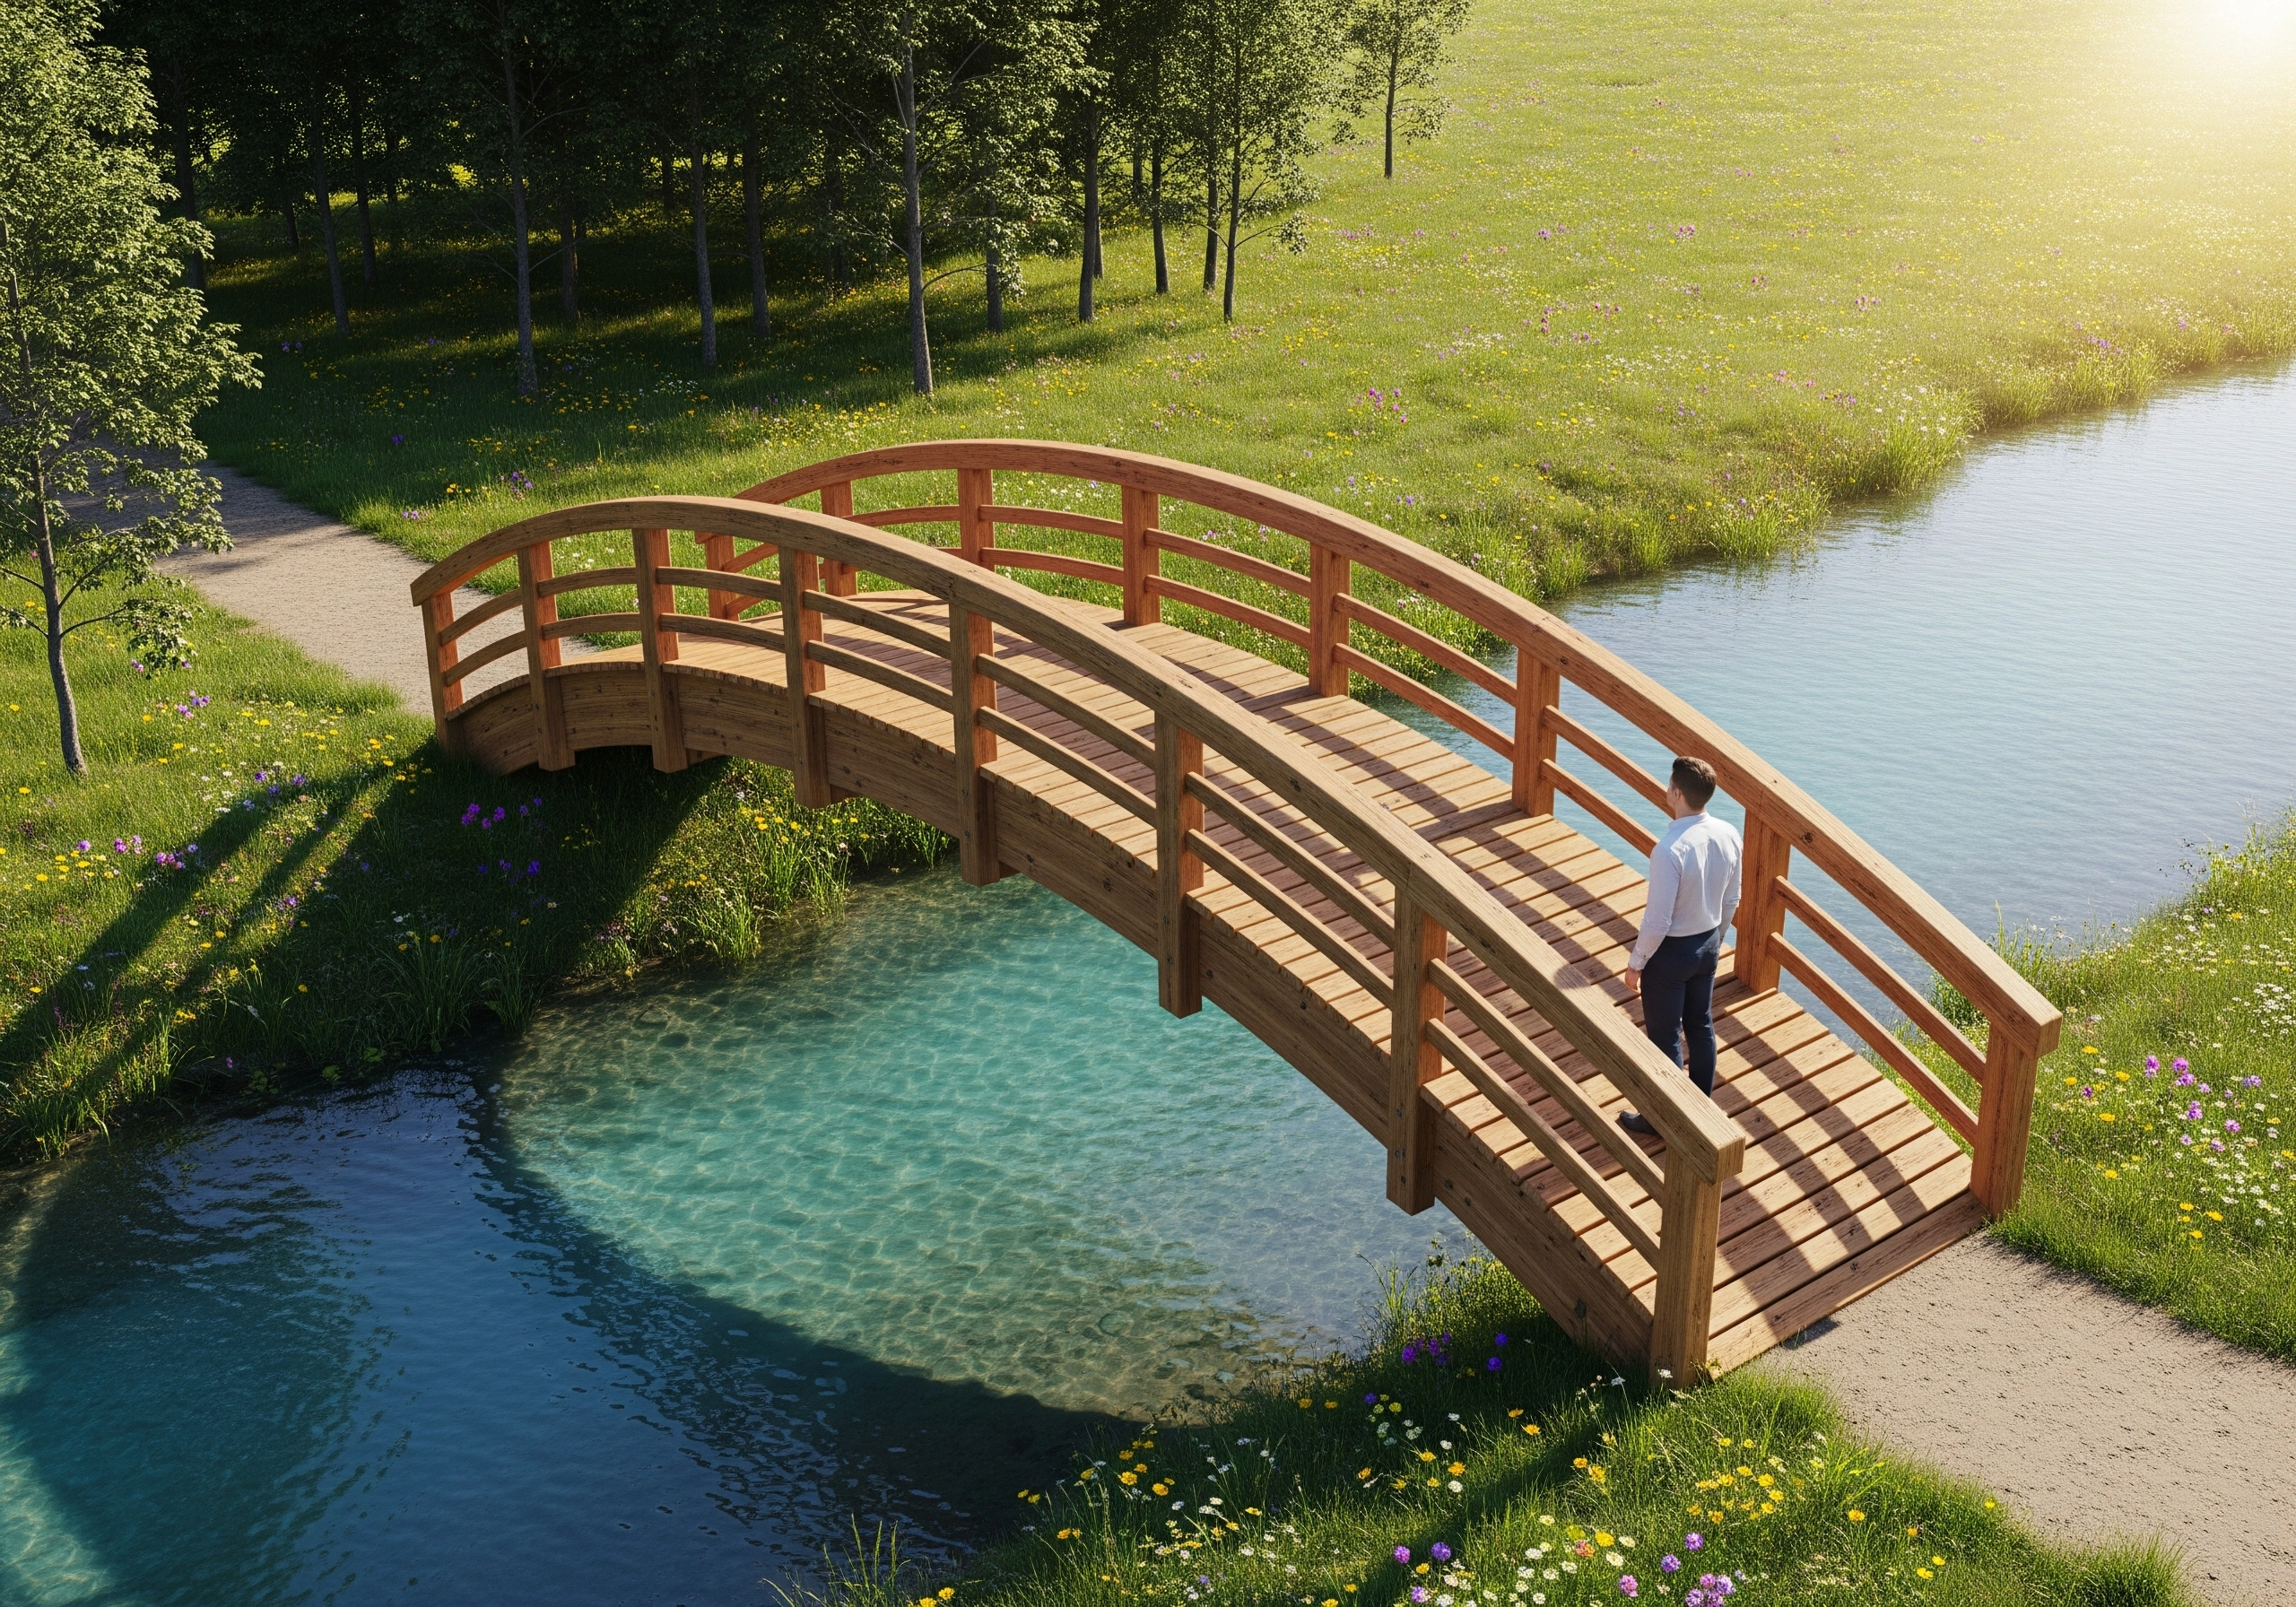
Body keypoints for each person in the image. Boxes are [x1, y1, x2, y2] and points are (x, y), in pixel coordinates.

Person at [1617, 756, 1742, 1136]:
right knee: (1701, 1026)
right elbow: (1731, 899)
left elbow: (1657, 921)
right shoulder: (1728, 833)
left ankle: (1664, 1121)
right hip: (1707, 944)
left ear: (1675, 793)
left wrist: (1636, 963)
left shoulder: (1669, 850)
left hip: (1670, 957)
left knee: (1665, 1037)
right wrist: (1715, 941)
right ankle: (1700, 1109)